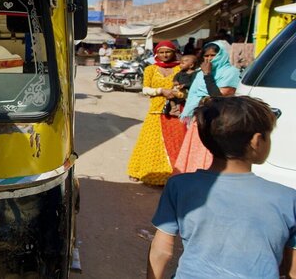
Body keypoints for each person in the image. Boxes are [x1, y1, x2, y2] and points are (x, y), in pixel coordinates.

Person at [147, 96, 296, 279]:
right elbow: (291, 271)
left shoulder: (179, 185)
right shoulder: (289, 198)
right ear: (257, 141)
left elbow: (162, 250)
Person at [173, 40, 240, 175]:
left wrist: (208, 75)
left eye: (213, 55)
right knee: (195, 152)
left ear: (221, 55)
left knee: (210, 155)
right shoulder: (199, 74)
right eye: (206, 56)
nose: (209, 59)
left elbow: (217, 97)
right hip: (199, 119)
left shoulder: (230, 72)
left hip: (217, 120)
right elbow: (194, 95)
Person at [127, 41, 185, 185]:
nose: (164, 55)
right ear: (156, 54)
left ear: (174, 52)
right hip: (155, 111)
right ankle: (143, 172)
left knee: (175, 143)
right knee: (150, 143)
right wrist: (160, 91)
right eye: (161, 52)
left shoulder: (180, 68)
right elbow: (145, 89)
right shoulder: (151, 69)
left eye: (168, 52)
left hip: (175, 112)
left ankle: (174, 174)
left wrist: (176, 94)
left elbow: (187, 88)